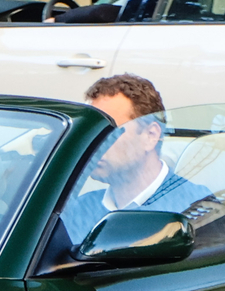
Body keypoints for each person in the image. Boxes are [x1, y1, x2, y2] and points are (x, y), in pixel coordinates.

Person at [55, 73, 206, 251]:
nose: (95, 144)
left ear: (151, 135)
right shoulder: (79, 209)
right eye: (92, 133)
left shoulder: (195, 208)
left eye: (110, 132)